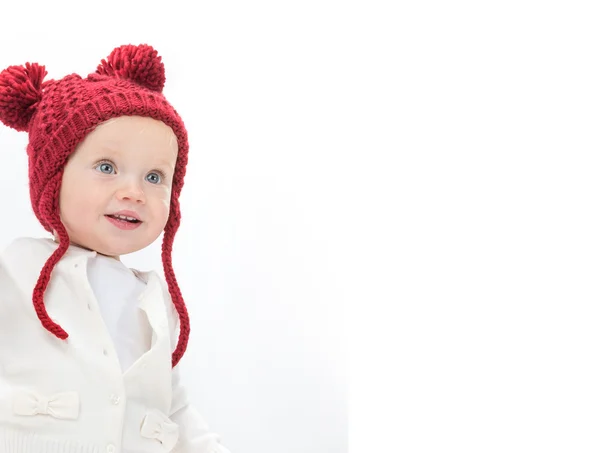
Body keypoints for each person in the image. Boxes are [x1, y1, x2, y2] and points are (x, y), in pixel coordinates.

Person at [0, 44, 232, 453]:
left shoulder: (154, 299)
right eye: (106, 168)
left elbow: (172, 403)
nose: (134, 192)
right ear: (53, 177)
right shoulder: (17, 268)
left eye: (155, 177)